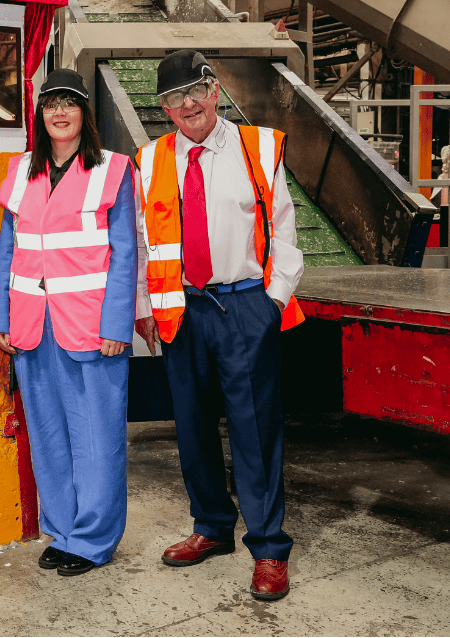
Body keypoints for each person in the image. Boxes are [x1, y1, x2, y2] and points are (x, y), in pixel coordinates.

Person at [134, 50, 304, 601]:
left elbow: (284, 234)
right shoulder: (151, 160)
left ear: (214, 90)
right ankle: (211, 526)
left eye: (194, 91)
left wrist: (272, 303)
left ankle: (269, 546)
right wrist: (146, 307)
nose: (186, 105)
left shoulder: (259, 148)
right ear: (162, 109)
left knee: (255, 431)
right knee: (193, 427)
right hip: (183, 310)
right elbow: (141, 245)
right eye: (172, 98)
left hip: (245, 305)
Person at [0, 69, 136, 577]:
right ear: (40, 114)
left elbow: (125, 254)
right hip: (33, 327)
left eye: (69, 103)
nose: (59, 112)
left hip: (93, 329)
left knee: (97, 439)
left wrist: (119, 324)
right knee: (49, 436)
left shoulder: (114, 169)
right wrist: (0, 318)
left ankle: (94, 540)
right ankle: (64, 530)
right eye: (50, 103)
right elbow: (9, 250)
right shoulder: (19, 172)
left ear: (84, 114)